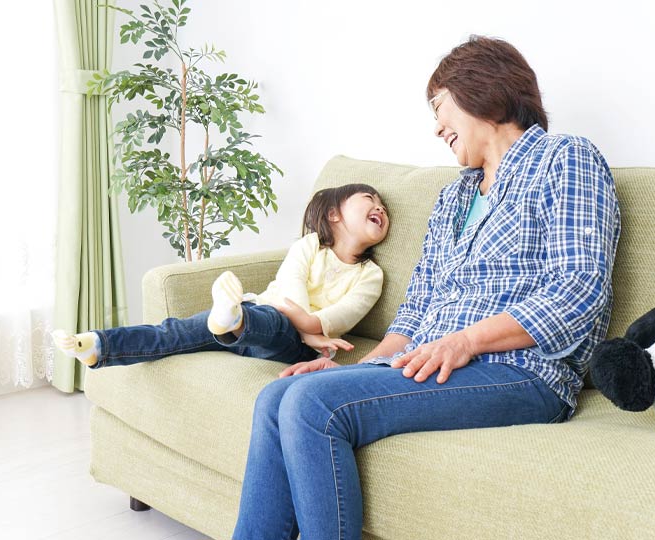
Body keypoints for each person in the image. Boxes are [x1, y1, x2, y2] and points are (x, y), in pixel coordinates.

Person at [232, 35, 621, 540]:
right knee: (280, 395)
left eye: (441, 108)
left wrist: (466, 341)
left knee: (312, 406)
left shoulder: (566, 158)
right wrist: (357, 369)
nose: (437, 127)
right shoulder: (454, 197)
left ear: (483, 91)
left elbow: (578, 292)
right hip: (434, 360)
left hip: (522, 372)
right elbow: (416, 312)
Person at [53, 184, 390, 370]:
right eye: (369, 200)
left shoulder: (370, 275)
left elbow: (345, 313)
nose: (380, 208)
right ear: (333, 214)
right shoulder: (309, 246)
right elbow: (291, 286)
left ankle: (233, 319)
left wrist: (308, 329)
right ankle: (97, 346)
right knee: (177, 332)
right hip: (259, 313)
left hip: (292, 346)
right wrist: (306, 323)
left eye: (383, 208)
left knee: (275, 321)